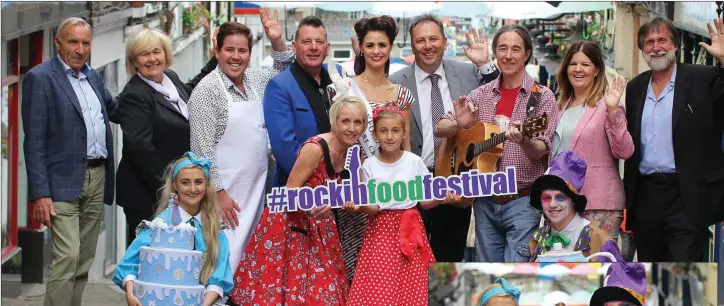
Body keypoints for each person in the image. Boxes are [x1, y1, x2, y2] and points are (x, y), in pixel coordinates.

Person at [434, 24, 557, 262]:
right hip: (484, 202)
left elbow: (541, 149)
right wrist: (458, 124)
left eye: (515, 49)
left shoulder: (542, 96)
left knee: (517, 273)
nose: (508, 55)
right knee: (487, 275)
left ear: (527, 53)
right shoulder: (480, 94)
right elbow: (440, 128)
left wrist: (524, 141)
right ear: (495, 53)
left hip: (522, 202)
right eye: (502, 49)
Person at [229, 97, 368, 306]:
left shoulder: (354, 152)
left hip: (321, 225)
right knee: (279, 292)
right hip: (289, 224)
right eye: (345, 121)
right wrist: (309, 207)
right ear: (334, 122)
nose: (352, 128)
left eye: (358, 122)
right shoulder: (316, 148)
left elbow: (352, 193)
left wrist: (352, 204)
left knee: (323, 293)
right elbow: (290, 190)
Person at [21, 17, 118, 306]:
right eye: (72, 42)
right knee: (67, 256)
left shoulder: (95, 77)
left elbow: (115, 109)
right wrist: (40, 194)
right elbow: (34, 141)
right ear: (58, 42)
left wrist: (156, 85)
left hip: (96, 176)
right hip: (60, 182)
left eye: (85, 43)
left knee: (85, 258)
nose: (79, 49)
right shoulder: (40, 78)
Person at [388, 13, 499, 262]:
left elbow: (500, 94)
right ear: (412, 44)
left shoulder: (469, 72)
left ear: (445, 42)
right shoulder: (396, 83)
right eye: (420, 40)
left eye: (433, 39)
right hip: (413, 183)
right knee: (409, 261)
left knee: (447, 261)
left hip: (455, 182)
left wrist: (485, 65)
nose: (428, 46)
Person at [189, 10, 294, 273]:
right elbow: (201, 152)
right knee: (223, 263)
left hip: (257, 189)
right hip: (226, 196)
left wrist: (277, 39)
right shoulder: (206, 91)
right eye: (229, 50)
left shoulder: (257, 79)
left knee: (250, 262)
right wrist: (220, 195)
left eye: (243, 51)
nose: (236, 57)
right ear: (217, 51)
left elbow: (287, 69)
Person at [623, 17, 724, 261]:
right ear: (641, 48)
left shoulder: (702, 78)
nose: (656, 47)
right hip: (646, 196)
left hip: (687, 195)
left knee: (683, 274)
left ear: (676, 46)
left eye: (662, 40)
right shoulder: (635, 87)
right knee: (651, 273)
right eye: (649, 42)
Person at [342, 106, 460, 305]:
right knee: (380, 285)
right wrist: (358, 206)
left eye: (395, 130)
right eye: (383, 131)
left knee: (415, 284)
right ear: (375, 134)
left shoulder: (414, 162)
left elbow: (424, 202)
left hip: (412, 229)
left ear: (404, 133)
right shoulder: (369, 166)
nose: (389, 136)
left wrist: (441, 199)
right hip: (380, 233)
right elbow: (373, 208)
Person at [114, 27, 218, 246]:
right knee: (149, 261)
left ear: (166, 55)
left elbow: (191, 90)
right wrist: (170, 192)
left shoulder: (168, 78)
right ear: (134, 61)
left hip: (175, 191)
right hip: (149, 194)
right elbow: (141, 150)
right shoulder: (135, 94)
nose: (152, 59)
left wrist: (215, 59)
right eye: (144, 54)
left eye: (156, 52)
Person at [112, 152, 233, 306]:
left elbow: (220, 272)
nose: (193, 188)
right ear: (175, 185)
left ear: (206, 184)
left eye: (199, 182)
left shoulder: (215, 229)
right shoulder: (160, 226)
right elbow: (129, 263)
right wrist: (130, 293)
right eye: (185, 182)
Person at [551, 41, 634, 245]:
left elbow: (625, 150)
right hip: (561, 204)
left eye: (585, 64)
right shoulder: (559, 106)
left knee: (597, 268)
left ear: (596, 70)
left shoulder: (607, 105)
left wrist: (613, 111)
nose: (578, 69)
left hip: (598, 204)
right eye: (573, 64)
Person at [265, 15, 344, 189]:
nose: (313, 47)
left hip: (340, 184)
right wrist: (315, 184)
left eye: (319, 41)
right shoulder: (279, 86)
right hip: (301, 187)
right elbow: (284, 147)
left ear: (327, 48)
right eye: (306, 41)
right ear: (294, 47)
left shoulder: (336, 74)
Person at [528, 151, 619, 262]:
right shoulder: (537, 238)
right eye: (546, 198)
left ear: (573, 201)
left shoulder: (599, 241)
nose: (552, 204)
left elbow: (615, 278)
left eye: (560, 197)